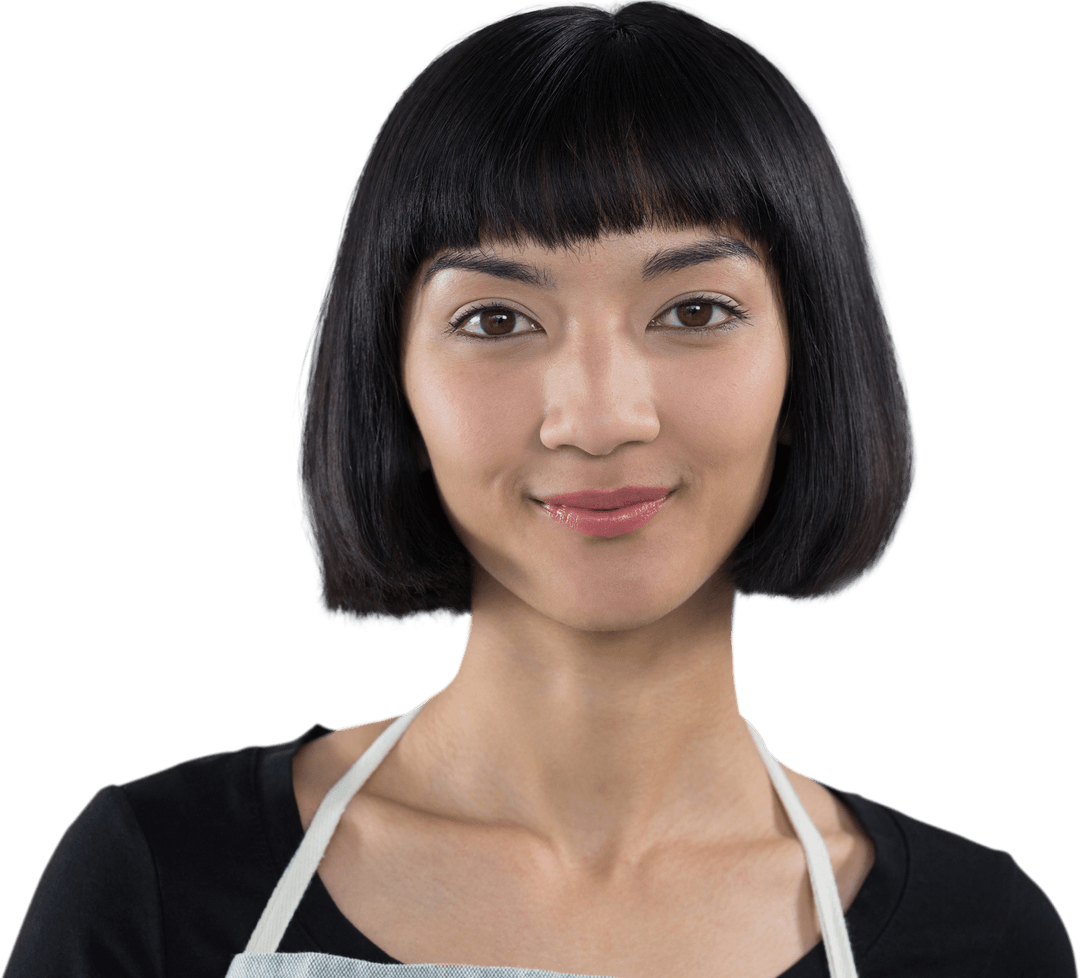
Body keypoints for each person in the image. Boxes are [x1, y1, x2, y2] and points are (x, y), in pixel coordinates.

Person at [3, 2, 1075, 977]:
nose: (600, 418)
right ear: (394, 381)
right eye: (497, 321)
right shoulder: (157, 880)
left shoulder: (984, 940)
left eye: (694, 312)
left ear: (811, 359)